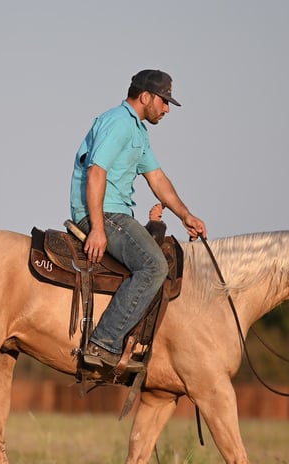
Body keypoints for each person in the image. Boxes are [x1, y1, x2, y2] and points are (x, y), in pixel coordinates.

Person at [69, 69, 207, 373]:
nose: (167, 108)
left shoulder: (138, 132)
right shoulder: (118, 123)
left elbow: (156, 178)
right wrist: (97, 228)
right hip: (105, 213)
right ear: (145, 97)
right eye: (164, 100)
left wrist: (185, 215)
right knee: (155, 266)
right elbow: (96, 172)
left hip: (114, 214)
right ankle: (102, 343)